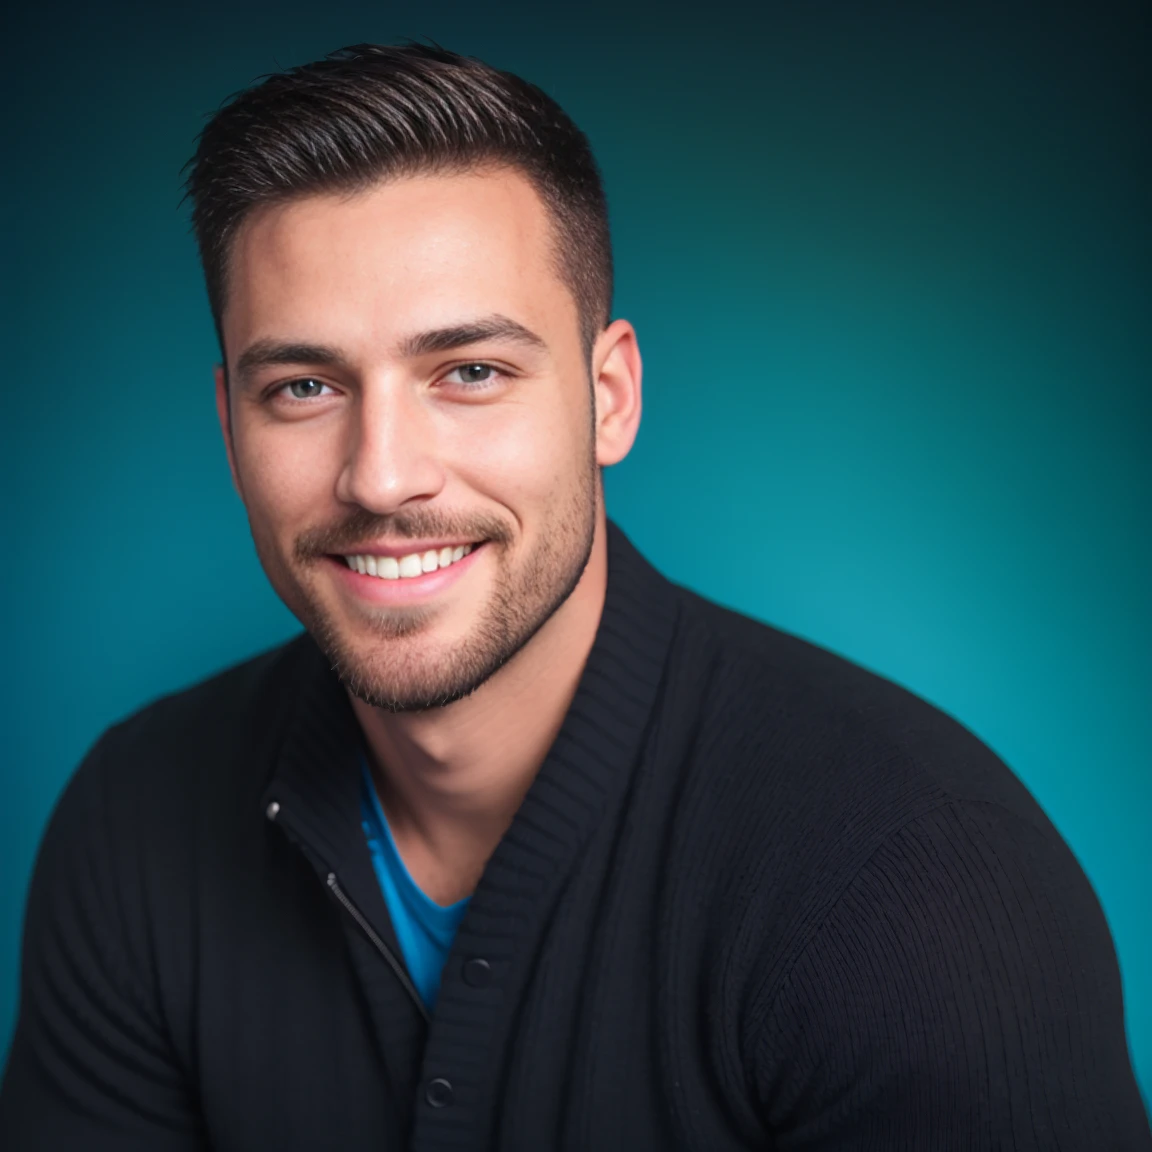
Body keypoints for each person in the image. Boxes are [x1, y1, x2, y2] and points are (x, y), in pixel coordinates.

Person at [0, 41, 1148, 1151]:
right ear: (229, 426)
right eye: (303, 386)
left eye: (470, 373)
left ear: (609, 398)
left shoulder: (916, 885)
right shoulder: (134, 823)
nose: (382, 475)